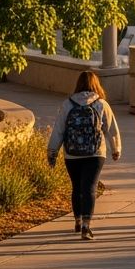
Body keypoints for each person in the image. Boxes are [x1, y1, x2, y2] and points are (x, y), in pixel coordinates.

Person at [47, 70, 121, 241]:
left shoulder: (68, 104)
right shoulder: (101, 104)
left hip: (72, 154)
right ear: (96, 84)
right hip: (95, 153)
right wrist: (115, 149)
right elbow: (111, 129)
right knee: (90, 187)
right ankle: (87, 226)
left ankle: (78, 220)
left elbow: (59, 130)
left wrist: (52, 152)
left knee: (77, 187)